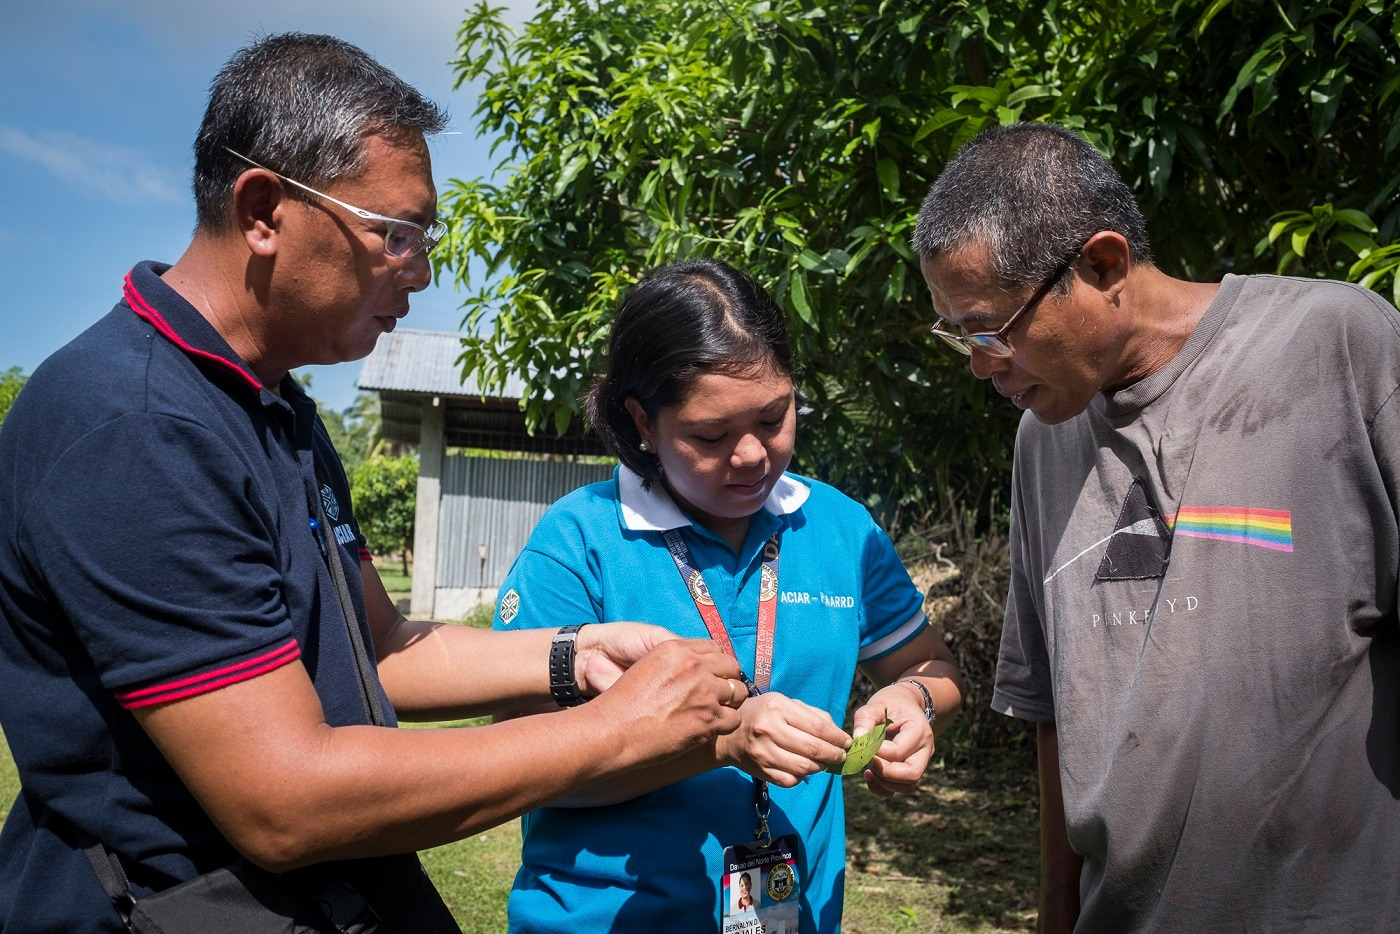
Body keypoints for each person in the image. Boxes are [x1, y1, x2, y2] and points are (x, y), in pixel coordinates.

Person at [0, 34, 746, 934]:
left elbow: (378, 645)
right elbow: (286, 800)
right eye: (395, 234)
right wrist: (617, 732)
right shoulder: (136, 424)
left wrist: (575, 653)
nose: (421, 272)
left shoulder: (267, 407)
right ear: (266, 209)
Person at [913, 122, 1400, 932]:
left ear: (1103, 265)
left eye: (993, 328)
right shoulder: (1044, 438)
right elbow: (1053, 712)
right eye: (960, 334)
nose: (980, 363)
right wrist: (1056, 910)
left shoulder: (1336, 346)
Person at [491, 258, 965, 933]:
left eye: (775, 418)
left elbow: (933, 668)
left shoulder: (840, 529)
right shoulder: (579, 541)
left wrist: (911, 701)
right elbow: (516, 758)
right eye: (710, 436)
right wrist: (717, 742)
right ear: (643, 422)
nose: (751, 456)